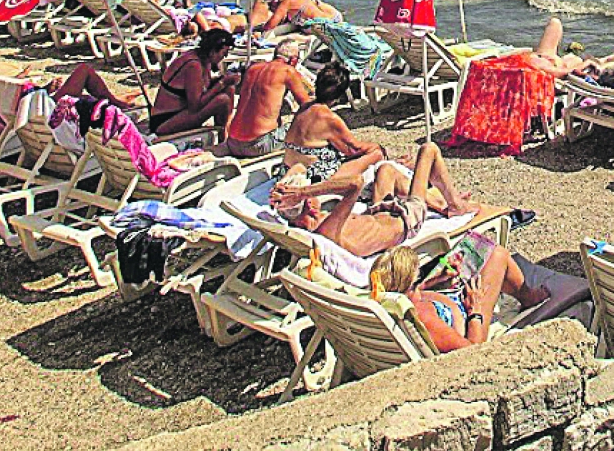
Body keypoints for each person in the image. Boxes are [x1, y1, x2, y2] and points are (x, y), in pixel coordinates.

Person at [271, 142, 487, 257]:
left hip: (379, 212)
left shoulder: (315, 223)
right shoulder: (326, 231)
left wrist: (286, 191)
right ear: (309, 203)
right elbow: (355, 183)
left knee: (386, 169)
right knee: (428, 150)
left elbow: (298, 167)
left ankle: (439, 204)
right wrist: (302, 192)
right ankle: (455, 205)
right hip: (405, 219)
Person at [371, 242, 550, 352]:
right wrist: (475, 310)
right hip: (471, 318)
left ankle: (524, 293)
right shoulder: (423, 316)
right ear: (408, 286)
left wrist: (435, 280)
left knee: (479, 253)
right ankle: (528, 297)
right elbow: (471, 351)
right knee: (498, 255)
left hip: (455, 300)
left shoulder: (390, 302)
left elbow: (413, 293)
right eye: (418, 278)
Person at [151, 28, 239, 136]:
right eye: (224, 53)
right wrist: (222, 83)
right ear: (212, 52)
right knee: (222, 100)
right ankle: (224, 136)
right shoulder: (193, 65)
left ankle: (225, 133)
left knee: (229, 88)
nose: (225, 57)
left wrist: (223, 82)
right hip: (165, 121)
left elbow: (201, 86)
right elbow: (195, 106)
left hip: (182, 111)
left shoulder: (204, 59)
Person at [249, 0, 342, 34]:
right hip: (336, 17)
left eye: (269, 3)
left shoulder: (286, 2)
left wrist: (257, 30)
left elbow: (270, 25)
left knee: (289, 34)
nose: (269, 7)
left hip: (326, 26)